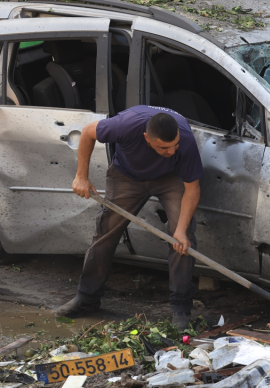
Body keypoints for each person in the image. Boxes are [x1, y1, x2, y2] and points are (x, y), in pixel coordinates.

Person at [55, 105, 203, 330]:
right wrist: (81, 176)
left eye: (175, 145)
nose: (172, 151)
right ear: (146, 138)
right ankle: (87, 298)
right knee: (106, 233)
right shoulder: (125, 125)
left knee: (182, 239)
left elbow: (192, 189)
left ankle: (181, 309)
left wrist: (180, 230)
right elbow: (87, 132)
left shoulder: (185, 140)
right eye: (164, 147)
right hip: (127, 176)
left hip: (169, 179)